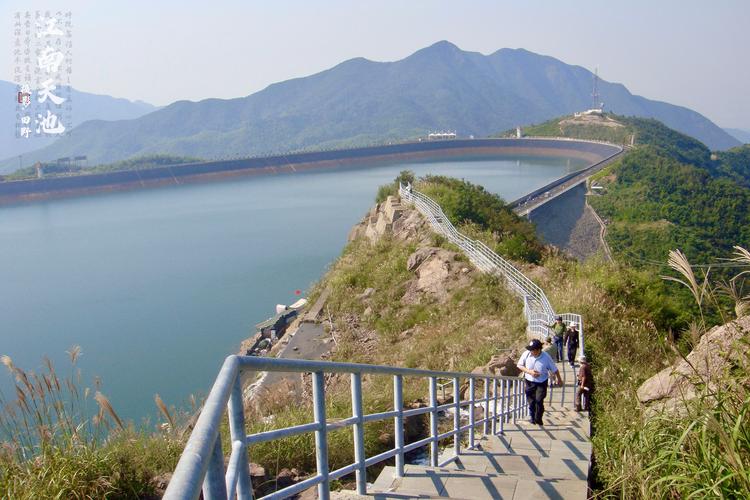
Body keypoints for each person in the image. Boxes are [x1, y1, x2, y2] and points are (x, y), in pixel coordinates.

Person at [517, 338, 563, 425]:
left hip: (541, 382)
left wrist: (559, 379)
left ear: (538, 350)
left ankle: (538, 419)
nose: (531, 351)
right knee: (531, 402)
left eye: (532, 350)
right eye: (530, 349)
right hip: (529, 381)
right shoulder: (526, 354)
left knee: (539, 400)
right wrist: (529, 372)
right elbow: (519, 365)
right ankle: (532, 418)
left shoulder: (546, 357)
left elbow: (555, 369)